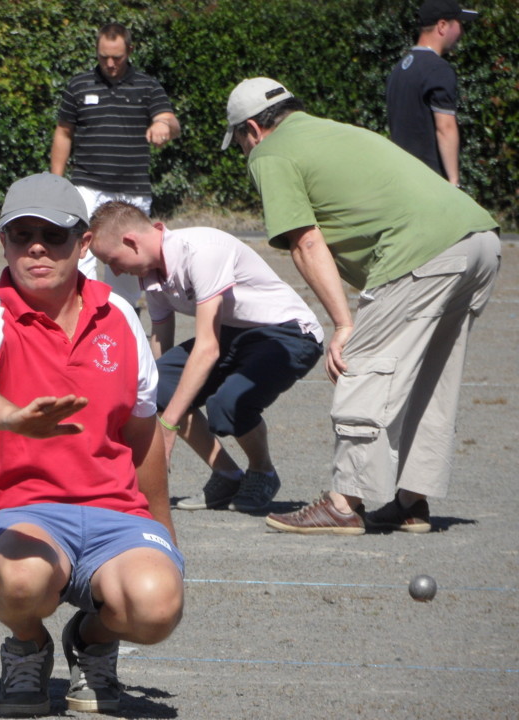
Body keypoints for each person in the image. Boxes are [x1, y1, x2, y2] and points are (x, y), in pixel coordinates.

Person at [0, 173, 184, 716]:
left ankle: (90, 639)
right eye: (21, 235)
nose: (37, 247)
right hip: (19, 515)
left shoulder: (119, 317)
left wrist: (164, 534)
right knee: (22, 583)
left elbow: (142, 436)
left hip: (114, 512)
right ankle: (28, 644)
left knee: (157, 606)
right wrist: (11, 417)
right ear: (4, 243)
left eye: (55, 234)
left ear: (85, 244)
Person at [221, 77, 500, 535]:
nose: (244, 153)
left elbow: (306, 242)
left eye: (239, 144)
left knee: (367, 366)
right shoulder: (330, 130)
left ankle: (343, 502)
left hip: (422, 251)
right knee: (430, 376)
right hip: (480, 240)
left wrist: (344, 324)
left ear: (252, 129)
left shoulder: (270, 153)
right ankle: (411, 501)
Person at [87, 201, 324, 513]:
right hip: (233, 333)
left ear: (131, 241)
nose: (115, 271)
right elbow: (161, 334)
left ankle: (262, 471)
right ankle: (227, 474)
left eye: (112, 260)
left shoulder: (201, 251)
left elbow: (208, 347)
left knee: (228, 404)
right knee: (158, 388)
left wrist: (167, 427)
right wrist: (158, 396)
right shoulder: (151, 271)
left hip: (286, 332)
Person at [50, 22, 180, 310]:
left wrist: (162, 125)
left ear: (130, 51)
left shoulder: (147, 85)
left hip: (132, 190)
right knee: (79, 256)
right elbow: (63, 132)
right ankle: (80, 315)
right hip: (86, 185)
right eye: (103, 57)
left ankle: (122, 323)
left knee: (126, 262)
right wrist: (56, 183)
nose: (109, 63)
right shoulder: (79, 85)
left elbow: (171, 122)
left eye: (117, 57)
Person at [386, 0, 479, 185]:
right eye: (459, 24)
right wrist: (453, 181)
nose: (461, 32)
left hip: (402, 177)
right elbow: (445, 127)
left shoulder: (398, 70)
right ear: (442, 25)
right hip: (430, 181)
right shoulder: (438, 69)